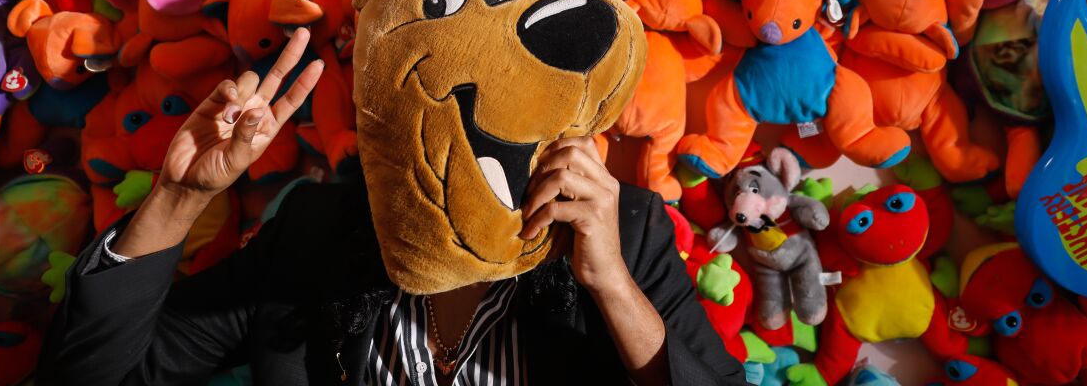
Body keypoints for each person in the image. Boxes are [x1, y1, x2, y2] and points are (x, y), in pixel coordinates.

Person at [37, 29, 748, 386]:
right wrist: (177, 197)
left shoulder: (624, 229)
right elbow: (98, 378)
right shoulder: (318, 231)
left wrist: (612, 286)